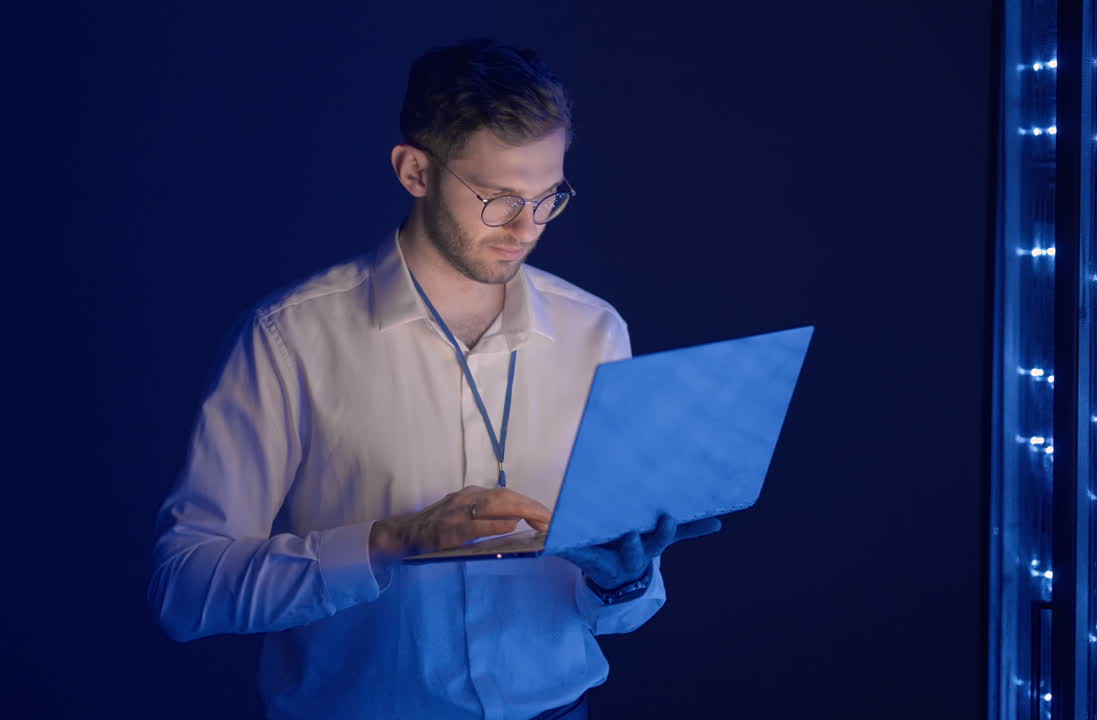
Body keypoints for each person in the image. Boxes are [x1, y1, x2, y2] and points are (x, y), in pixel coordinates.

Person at [148, 39, 720, 720]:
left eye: (548, 198)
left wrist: (625, 579)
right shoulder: (287, 338)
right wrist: (390, 542)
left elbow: (617, 616)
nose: (526, 229)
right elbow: (184, 591)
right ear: (414, 170)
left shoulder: (595, 331)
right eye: (499, 198)